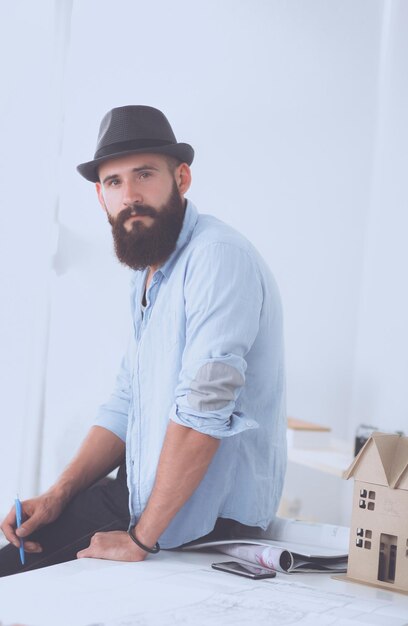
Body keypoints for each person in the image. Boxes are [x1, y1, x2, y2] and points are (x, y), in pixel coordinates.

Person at [0, 105, 286, 576]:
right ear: (100, 196)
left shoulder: (216, 258)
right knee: (13, 559)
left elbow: (203, 409)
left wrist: (140, 539)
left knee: (21, 582)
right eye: (114, 182)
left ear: (182, 179)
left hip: (202, 518)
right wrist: (56, 497)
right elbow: (125, 402)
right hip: (137, 496)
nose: (129, 195)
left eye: (145, 175)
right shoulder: (151, 274)